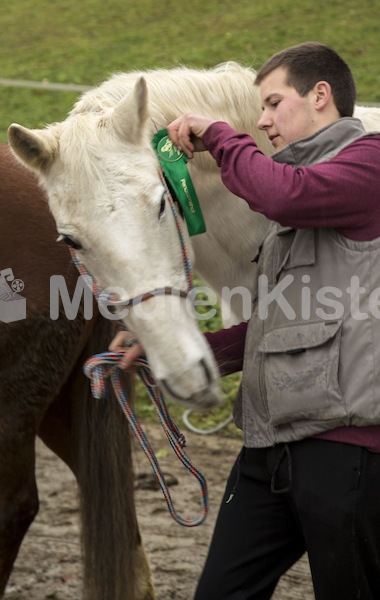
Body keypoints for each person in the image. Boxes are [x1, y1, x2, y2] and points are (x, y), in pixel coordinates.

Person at [110, 43, 380, 599]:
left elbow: (282, 195)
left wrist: (219, 135)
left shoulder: (369, 163)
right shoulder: (297, 198)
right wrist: (161, 353)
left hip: (345, 450)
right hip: (268, 446)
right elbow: (272, 328)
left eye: (273, 102)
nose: (260, 121)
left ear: (321, 96)